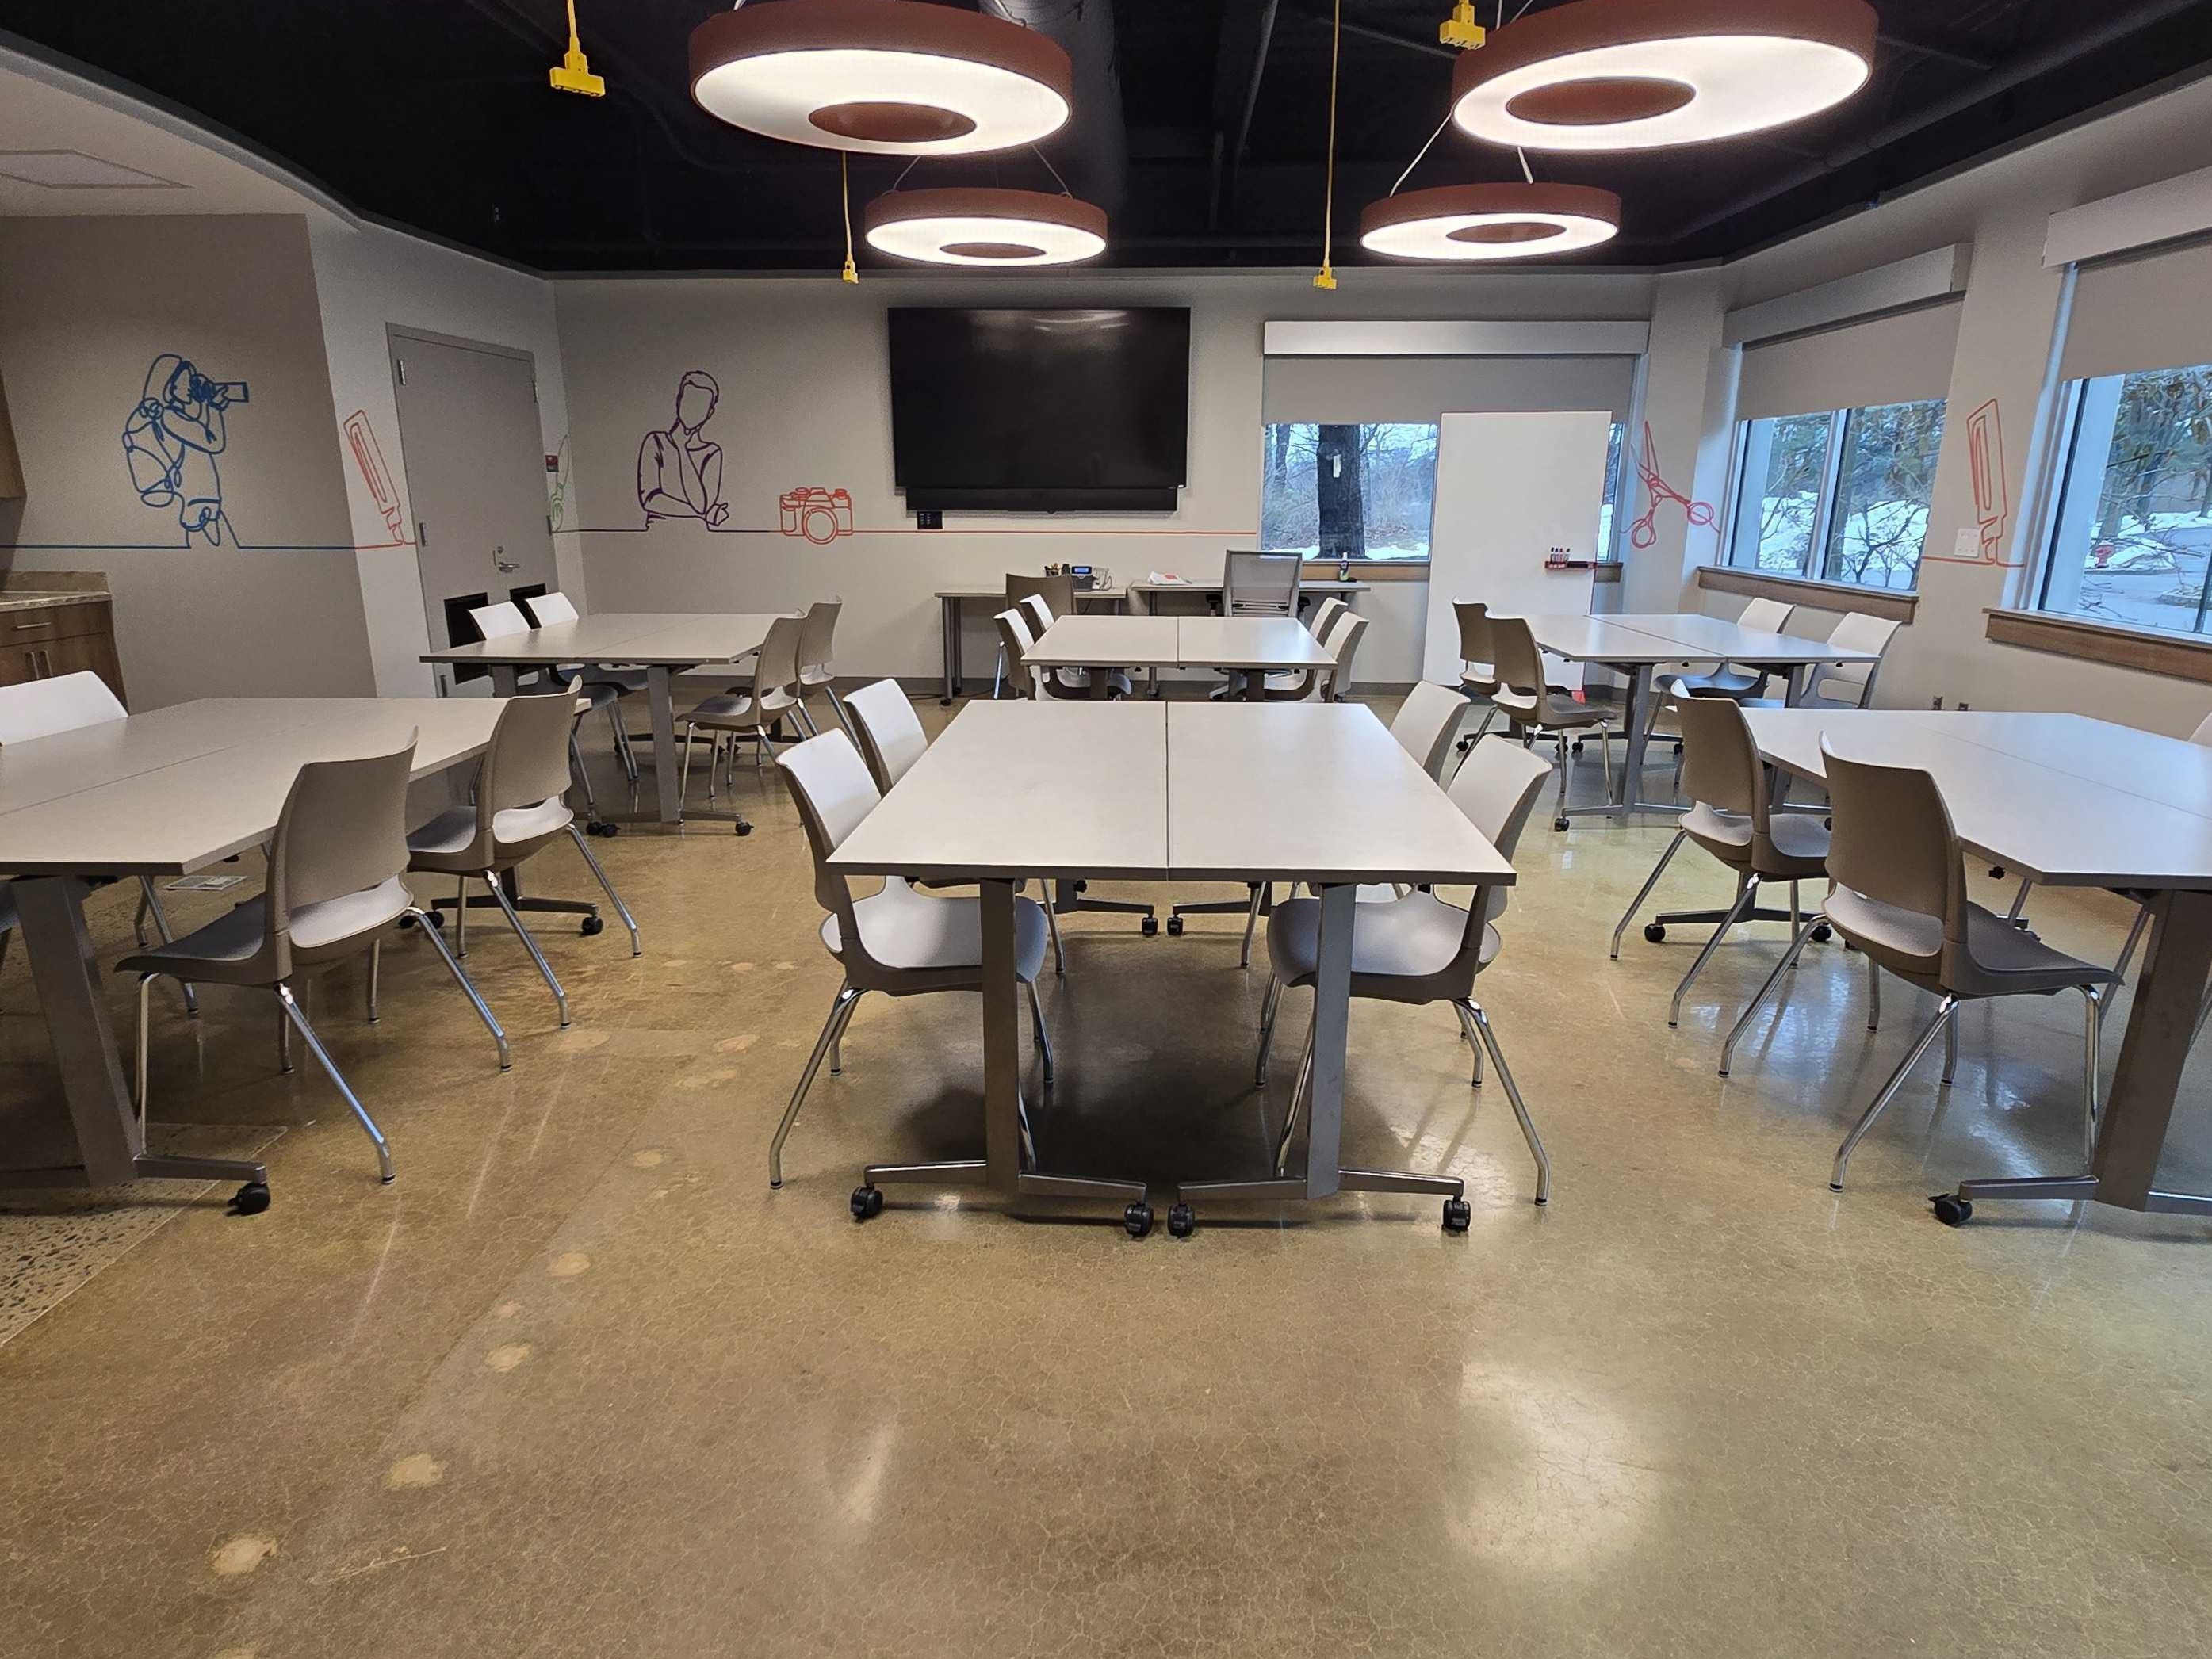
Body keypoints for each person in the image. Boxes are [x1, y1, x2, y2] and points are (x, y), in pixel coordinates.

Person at [123, 354, 247, 545]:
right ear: (170, 385)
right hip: (197, 501)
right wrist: (213, 406)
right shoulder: (168, 417)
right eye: (187, 381)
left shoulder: (175, 416)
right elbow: (214, 443)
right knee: (216, 559)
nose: (191, 387)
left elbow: (204, 435)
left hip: (203, 499)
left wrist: (206, 403)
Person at [637, 369, 728, 526]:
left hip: (699, 536)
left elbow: (702, 505)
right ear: (679, 401)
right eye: (690, 401)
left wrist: (681, 448)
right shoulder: (656, 441)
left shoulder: (712, 453)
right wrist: (705, 515)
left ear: (709, 413)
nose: (693, 410)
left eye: (701, 405)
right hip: (657, 533)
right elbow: (650, 500)